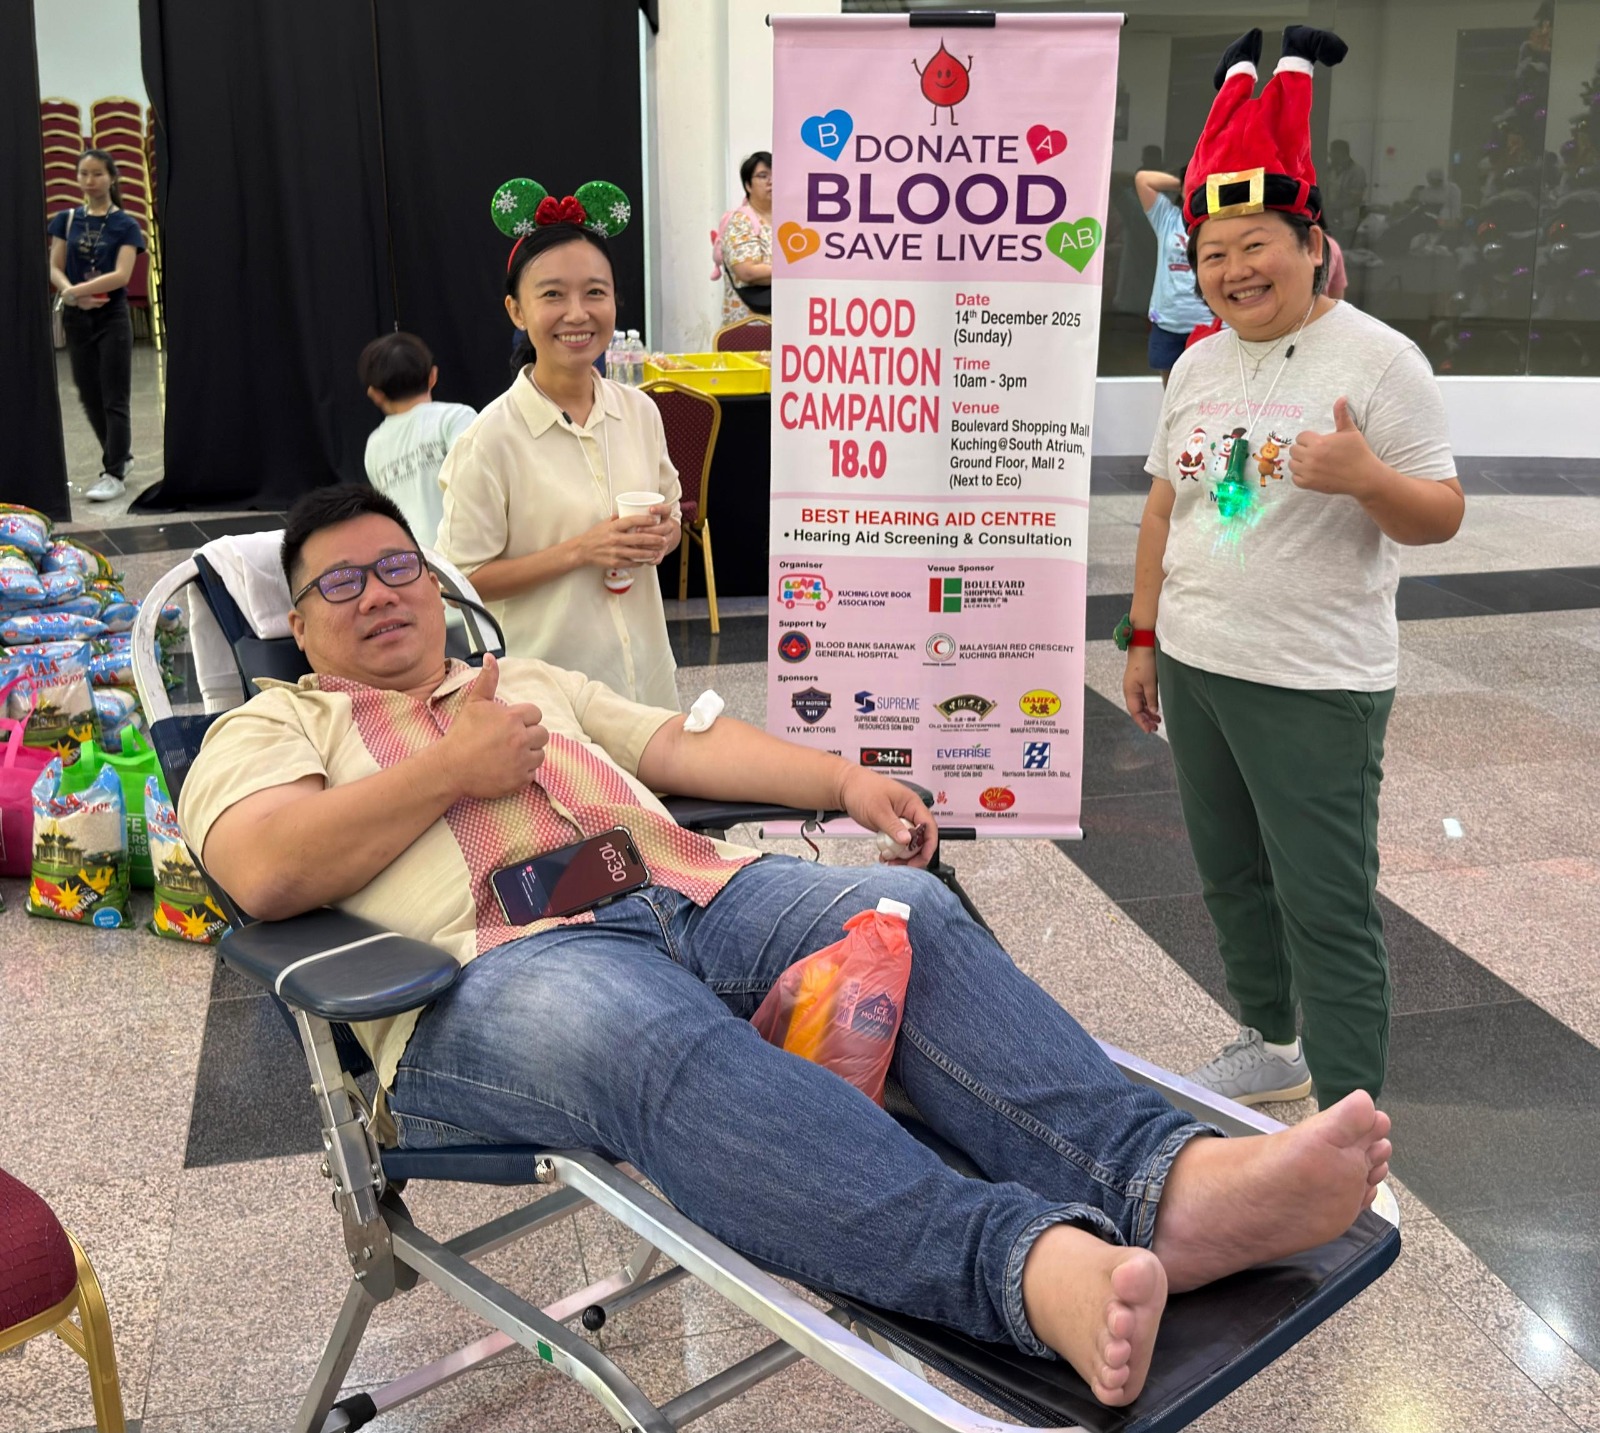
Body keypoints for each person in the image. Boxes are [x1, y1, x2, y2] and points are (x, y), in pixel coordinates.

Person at [182, 484, 1393, 1409]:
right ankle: (1020, 1268)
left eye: (399, 565)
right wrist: (453, 766)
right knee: (648, 1033)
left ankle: (1166, 1188)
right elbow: (265, 868)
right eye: (342, 584)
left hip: (683, 890)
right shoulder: (275, 722)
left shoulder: (525, 677)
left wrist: (843, 780)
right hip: (492, 973)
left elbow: (679, 745)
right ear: (300, 624)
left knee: (902, 910)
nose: (381, 593)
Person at [1120, 26, 1464, 1110]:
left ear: (1311, 243)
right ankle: (1272, 1040)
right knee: (1230, 876)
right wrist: (1142, 634)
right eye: (1211, 253)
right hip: (1197, 662)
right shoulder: (1197, 361)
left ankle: (1352, 1125)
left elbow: (1442, 514)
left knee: (1326, 902)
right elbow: (1167, 501)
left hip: (1314, 679)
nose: (1232, 269)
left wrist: (1367, 477)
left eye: (1255, 243)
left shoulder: (1378, 359)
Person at [437, 213, 682, 708]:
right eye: (552, 294)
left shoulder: (639, 412)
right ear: (516, 311)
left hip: (647, 681)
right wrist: (581, 550)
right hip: (549, 698)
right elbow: (461, 580)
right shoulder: (490, 440)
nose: (577, 313)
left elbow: (673, 517)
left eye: (595, 292)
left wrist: (662, 535)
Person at [46, 149, 147, 503]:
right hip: (77, 318)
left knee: (114, 396)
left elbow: (121, 274)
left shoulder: (126, 225)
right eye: (84, 174)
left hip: (111, 317)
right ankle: (121, 455)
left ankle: (113, 472)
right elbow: (54, 266)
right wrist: (71, 294)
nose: (90, 181)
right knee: (89, 395)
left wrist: (78, 291)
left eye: (98, 174)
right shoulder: (66, 220)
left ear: (112, 178)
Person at [359, 333, 477, 550]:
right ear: (433, 376)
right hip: (467, 553)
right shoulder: (457, 417)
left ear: (375, 394)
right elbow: (478, 485)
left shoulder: (374, 446)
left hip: (414, 562)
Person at [1133, 164, 1213, 383]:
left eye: (1201, 185)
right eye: (1192, 185)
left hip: (1210, 324)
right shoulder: (1167, 217)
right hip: (1168, 323)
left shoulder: (1219, 223)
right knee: (1171, 393)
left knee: (1207, 392)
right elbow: (1143, 179)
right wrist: (1185, 182)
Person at [720, 151, 773, 324]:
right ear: (748, 185)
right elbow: (747, 271)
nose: (772, 181)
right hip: (748, 324)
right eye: (763, 176)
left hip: (783, 323)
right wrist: (793, 272)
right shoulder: (741, 221)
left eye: (777, 174)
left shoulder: (789, 220)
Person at [1323, 139, 1367, 241]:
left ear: (1341, 153)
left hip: (1346, 221)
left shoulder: (1357, 171)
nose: (1330, 156)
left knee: (1342, 245)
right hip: (1330, 219)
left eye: (1332, 153)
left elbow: (1355, 199)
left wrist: (1331, 206)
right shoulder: (1330, 169)